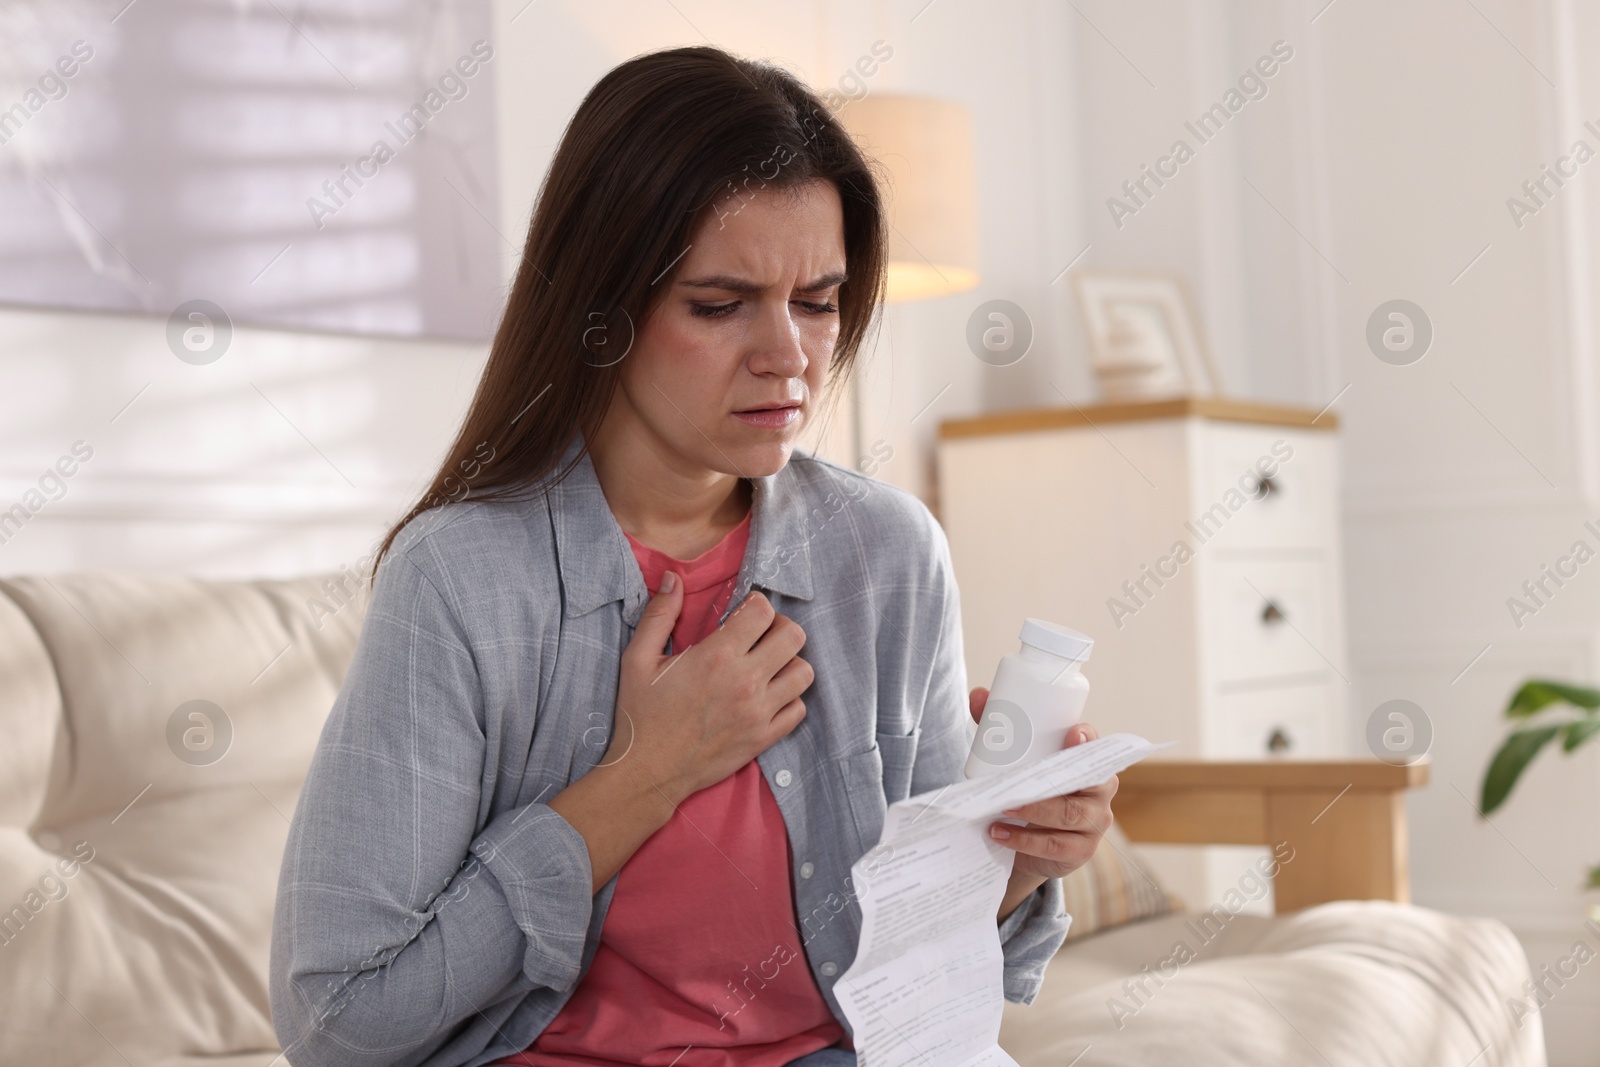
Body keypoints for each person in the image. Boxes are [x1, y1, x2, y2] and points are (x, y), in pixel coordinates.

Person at [268, 44, 1117, 1067]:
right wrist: (644, 772)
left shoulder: (886, 555)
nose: (789, 356)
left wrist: (1017, 858)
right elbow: (339, 1025)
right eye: (719, 304)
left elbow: (920, 968)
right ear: (601, 313)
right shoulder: (462, 581)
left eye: (818, 300)